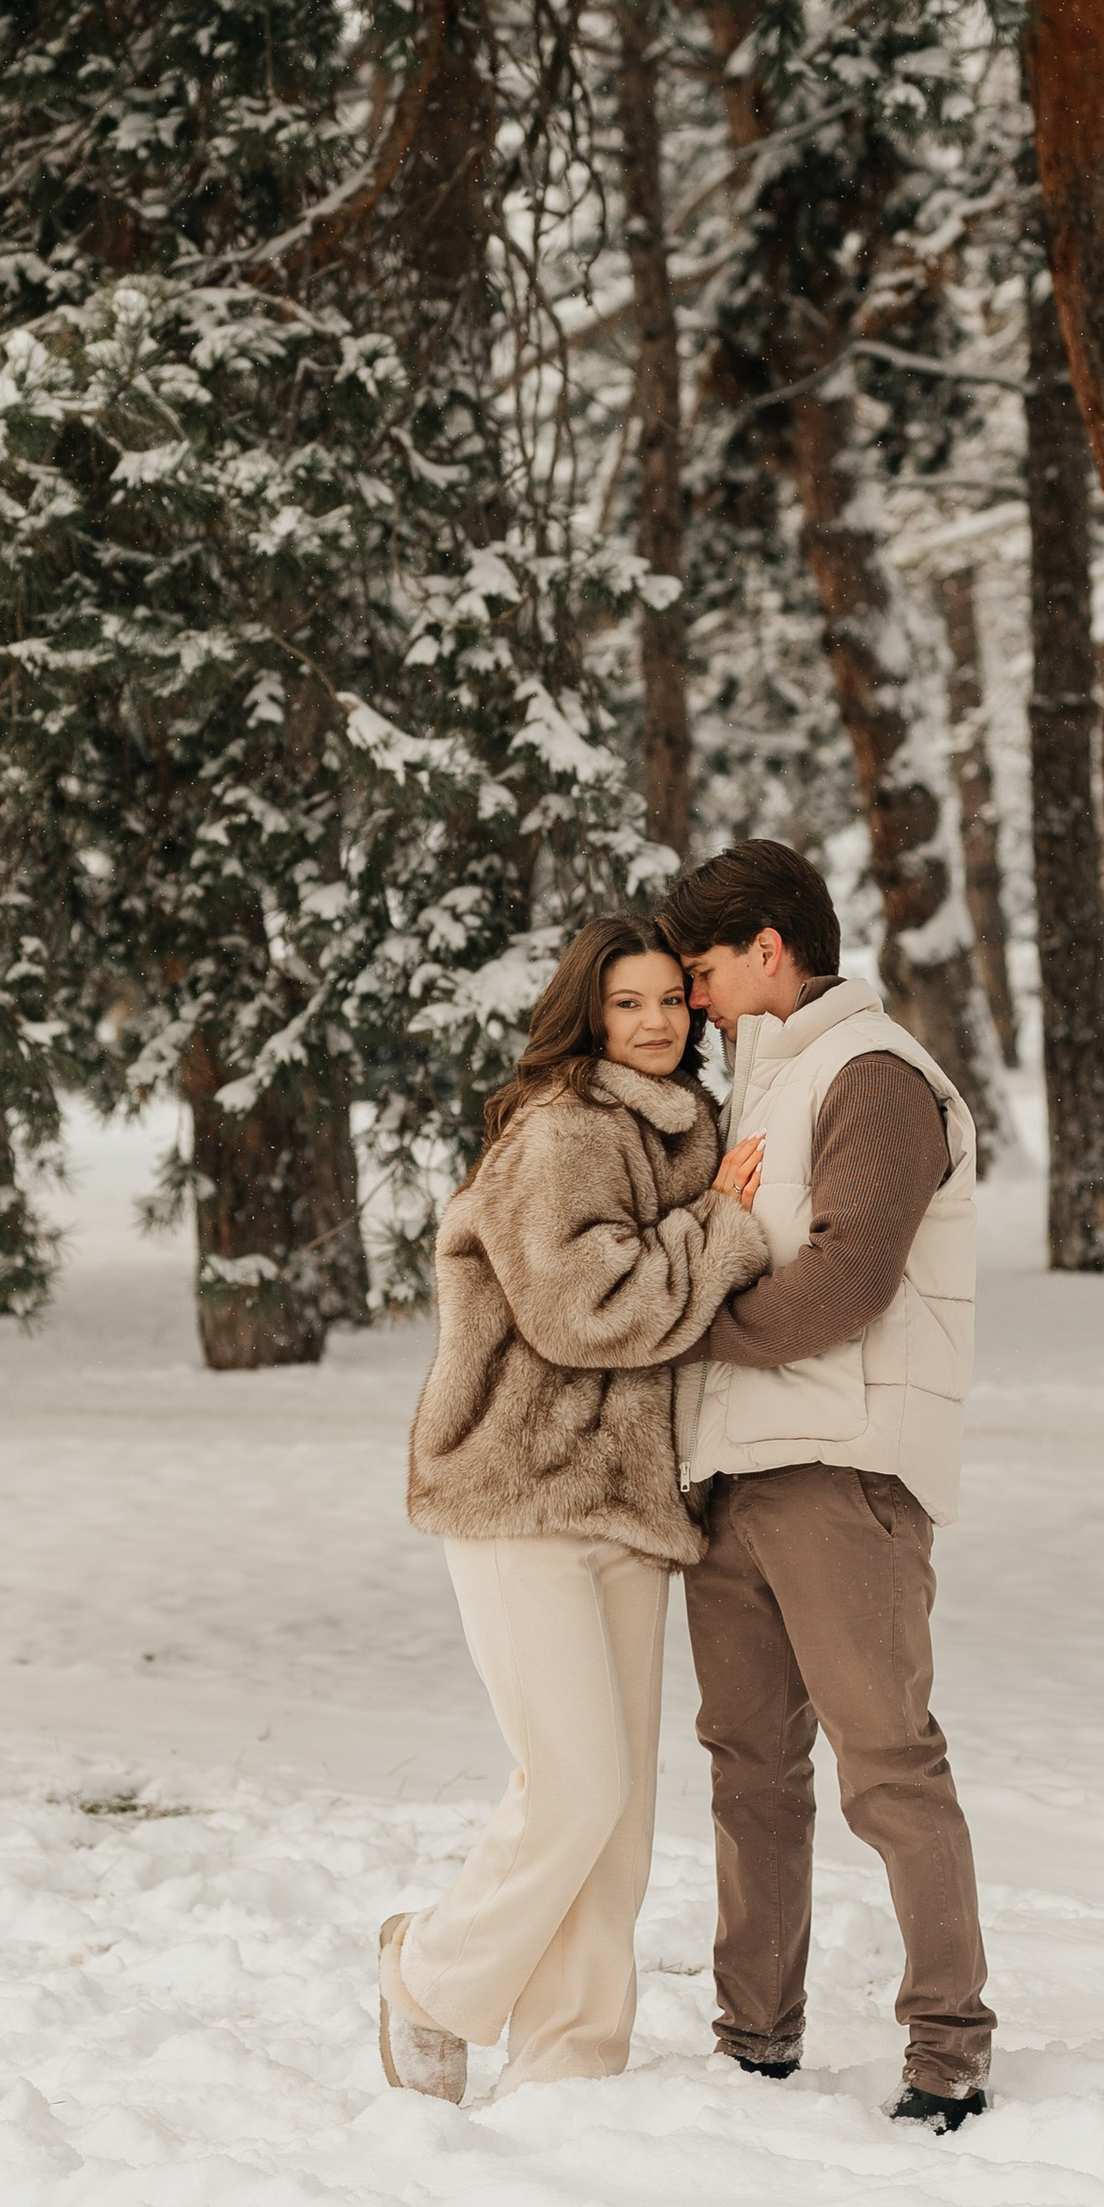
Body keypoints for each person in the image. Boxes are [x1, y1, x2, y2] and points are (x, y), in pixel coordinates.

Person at [381, 916, 770, 2104]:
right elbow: (581, 1308)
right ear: (586, 1014)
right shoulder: (561, 1129)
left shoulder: (689, 1128)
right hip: (521, 1491)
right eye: (625, 1002)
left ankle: (569, 2063)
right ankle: (425, 1975)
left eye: (669, 999)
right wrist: (717, 1229)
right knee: (575, 1782)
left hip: (632, 1504)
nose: (654, 1021)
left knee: (622, 1812)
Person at [659, 840, 994, 2131]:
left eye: (703, 970)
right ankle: (754, 2036)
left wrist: (690, 1326)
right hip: (734, 1476)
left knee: (887, 1767)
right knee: (748, 1767)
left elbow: (846, 1282)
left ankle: (948, 2047)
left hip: (842, 1475)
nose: (691, 997)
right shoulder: (761, 1081)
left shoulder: (876, 1075)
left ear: (769, 949)